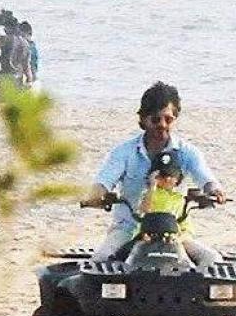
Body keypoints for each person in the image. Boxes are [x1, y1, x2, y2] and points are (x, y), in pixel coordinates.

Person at [84, 81, 226, 261]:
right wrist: (95, 195)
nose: (162, 125)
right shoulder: (123, 152)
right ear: (143, 119)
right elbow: (103, 181)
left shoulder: (187, 152)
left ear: (175, 119)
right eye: (155, 119)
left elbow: (204, 177)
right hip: (129, 229)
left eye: (168, 119)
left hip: (175, 231)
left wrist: (214, 191)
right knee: (101, 258)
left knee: (213, 260)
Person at [138, 152, 223, 265]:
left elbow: (186, 228)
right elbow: (144, 210)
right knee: (119, 254)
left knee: (212, 257)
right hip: (146, 240)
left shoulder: (179, 199)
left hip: (176, 241)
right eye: (162, 176)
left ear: (178, 178)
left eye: (171, 175)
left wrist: (179, 238)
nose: (167, 179)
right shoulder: (146, 194)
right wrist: (152, 186)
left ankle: (198, 273)